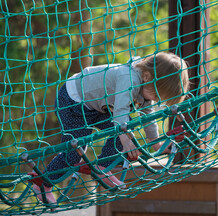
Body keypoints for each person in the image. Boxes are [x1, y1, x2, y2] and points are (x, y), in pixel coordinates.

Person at [33, 52, 190, 205]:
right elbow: (120, 111)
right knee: (76, 151)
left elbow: (147, 115)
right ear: (147, 76)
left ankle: (102, 166)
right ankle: (43, 184)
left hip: (96, 106)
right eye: (156, 94)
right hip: (72, 101)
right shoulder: (128, 78)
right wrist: (127, 140)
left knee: (125, 131)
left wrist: (155, 142)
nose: (155, 100)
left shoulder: (146, 84)